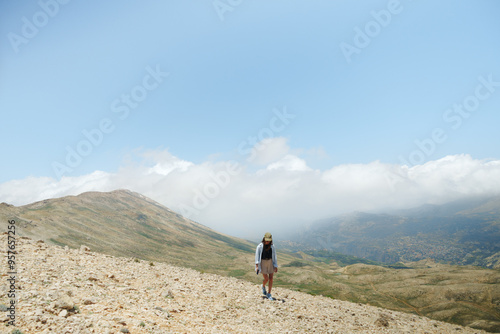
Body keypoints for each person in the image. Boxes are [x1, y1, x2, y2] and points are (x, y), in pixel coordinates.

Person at [255, 232, 278, 300]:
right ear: (264, 239)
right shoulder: (259, 246)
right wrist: (257, 266)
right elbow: (257, 256)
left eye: (268, 240)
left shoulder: (272, 246)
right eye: (266, 240)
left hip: (270, 262)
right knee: (266, 279)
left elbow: (274, 256)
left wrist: (275, 266)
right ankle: (263, 285)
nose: (267, 241)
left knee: (271, 279)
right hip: (263, 262)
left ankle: (269, 293)